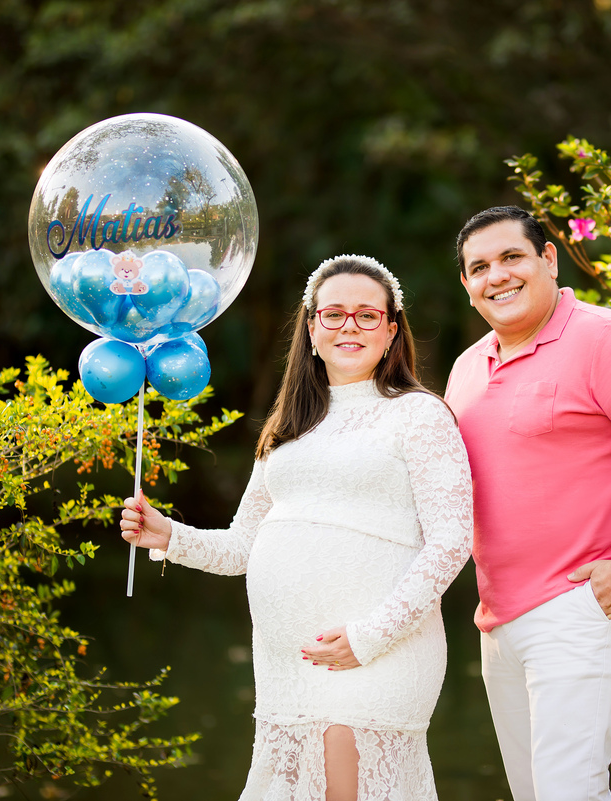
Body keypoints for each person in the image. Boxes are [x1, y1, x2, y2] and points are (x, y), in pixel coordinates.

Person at [120, 255, 473, 801]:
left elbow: (452, 540)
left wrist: (370, 636)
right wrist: (169, 536)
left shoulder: (419, 415)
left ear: (392, 331)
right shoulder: (288, 426)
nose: (348, 326)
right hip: (287, 663)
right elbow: (242, 547)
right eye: (333, 314)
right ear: (311, 328)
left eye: (366, 315)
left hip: (376, 651)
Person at [444, 207, 611, 801]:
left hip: (585, 603)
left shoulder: (603, 338)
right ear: (467, 288)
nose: (497, 276)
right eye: (479, 267)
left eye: (511, 257)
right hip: (498, 619)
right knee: (532, 792)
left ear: (548, 259)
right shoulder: (467, 368)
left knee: (570, 790)